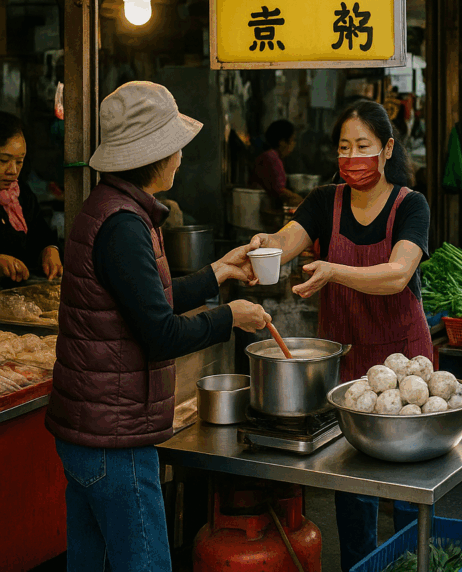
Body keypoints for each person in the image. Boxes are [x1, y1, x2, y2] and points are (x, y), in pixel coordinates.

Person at [45, 81, 271, 572]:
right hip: (114, 441)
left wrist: (219, 272)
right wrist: (230, 317)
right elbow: (161, 332)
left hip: (91, 433)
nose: (182, 156)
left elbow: (149, 300)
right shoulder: (124, 225)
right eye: (176, 146)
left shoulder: (113, 208)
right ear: (154, 153)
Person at [242, 99, 431, 571]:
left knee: (408, 483)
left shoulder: (411, 205)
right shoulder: (326, 200)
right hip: (347, 362)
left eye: (363, 146)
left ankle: (413, 563)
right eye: (344, 147)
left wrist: (334, 272)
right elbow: (288, 241)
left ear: (387, 148)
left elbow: (397, 274)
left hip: (403, 362)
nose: (352, 157)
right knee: (353, 485)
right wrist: (267, 246)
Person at [0, 113, 62, 286]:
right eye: (3, 160)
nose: (12, 170)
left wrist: (50, 249)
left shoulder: (21, 194)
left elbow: (41, 232)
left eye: (19, 161)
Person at [252, 119, 304, 207]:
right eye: (292, 140)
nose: (294, 144)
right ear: (282, 142)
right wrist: (303, 201)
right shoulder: (272, 158)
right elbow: (279, 190)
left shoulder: (269, 156)